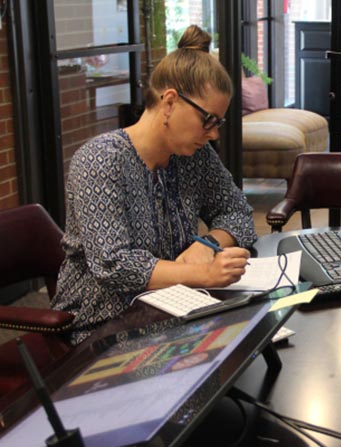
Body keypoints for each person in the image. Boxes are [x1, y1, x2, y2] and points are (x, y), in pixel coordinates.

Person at [53, 25, 257, 344]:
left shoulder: (194, 156)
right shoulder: (100, 160)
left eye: (219, 122)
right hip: (102, 325)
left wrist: (208, 244)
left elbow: (239, 213)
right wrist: (202, 273)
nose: (214, 134)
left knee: (250, 344)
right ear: (171, 102)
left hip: (175, 308)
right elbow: (113, 265)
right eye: (209, 120)